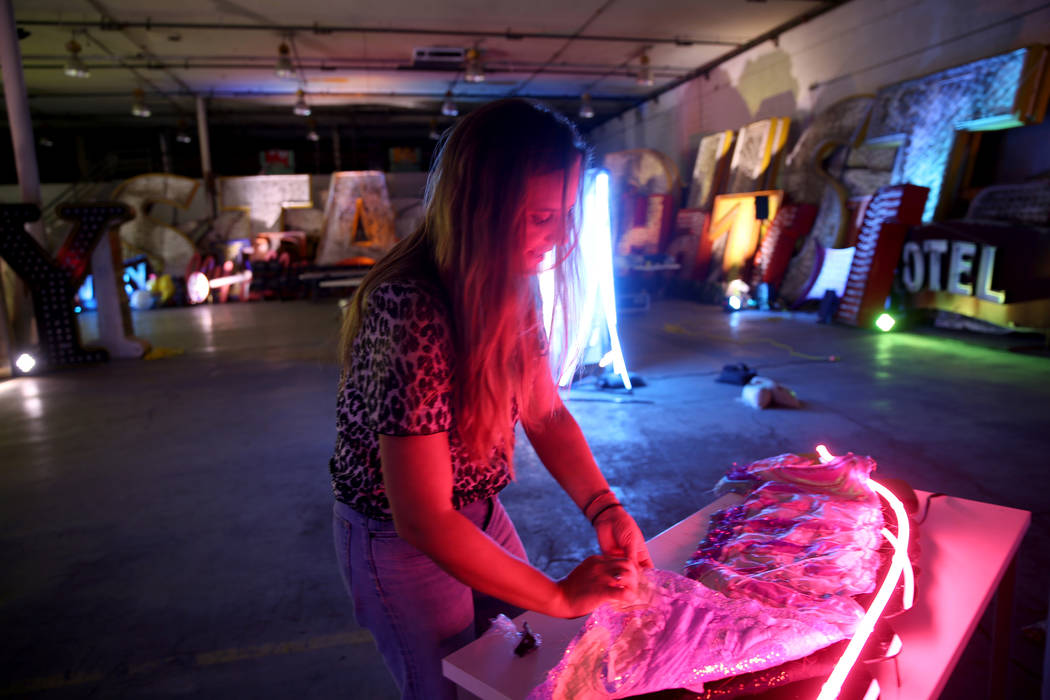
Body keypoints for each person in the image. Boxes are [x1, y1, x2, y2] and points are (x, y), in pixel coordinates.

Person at [329, 98, 653, 699]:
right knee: (448, 688)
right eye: (538, 217)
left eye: (565, 215)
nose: (558, 239)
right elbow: (423, 517)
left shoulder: (508, 279)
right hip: (399, 538)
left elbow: (545, 411)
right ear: (477, 208)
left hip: (478, 512)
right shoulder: (409, 306)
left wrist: (605, 508)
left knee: (520, 667)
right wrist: (558, 595)